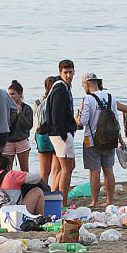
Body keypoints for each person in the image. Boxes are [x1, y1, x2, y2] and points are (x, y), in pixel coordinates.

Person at [78, 73, 125, 207]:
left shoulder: (88, 99)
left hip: (92, 141)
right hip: (110, 140)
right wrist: (120, 139)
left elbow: (83, 121)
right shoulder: (110, 97)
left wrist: (77, 117)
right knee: (108, 171)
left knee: (94, 172)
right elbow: (116, 120)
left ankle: (94, 201)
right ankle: (109, 200)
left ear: (87, 84)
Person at [47, 60, 77, 207]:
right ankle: (62, 201)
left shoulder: (63, 87)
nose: (68, 75)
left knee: (66, 167)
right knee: (66, 169)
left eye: (71, 72)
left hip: (59, 132)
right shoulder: (60, 89)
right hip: (60, 133)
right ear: (60, 73)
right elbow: (56, 114)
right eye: (65, 72)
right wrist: (63, 133)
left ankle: (55, 196)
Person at [33, 76, 61, 187]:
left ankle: (43, 193)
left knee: (44, 171)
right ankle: (54, 193)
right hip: (55, 134)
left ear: (45, 87)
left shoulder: (37, 102)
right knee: (56, 171)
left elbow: (35, 122)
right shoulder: (57, 100)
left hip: (42, 136)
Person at [3, 80, 32, 171]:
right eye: (9, 94)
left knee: (24, 169)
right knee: (7, 169)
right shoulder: (6, 108)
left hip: (22, 140)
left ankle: (25, 185)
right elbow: (5, 124)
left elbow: (29, 126)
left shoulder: (26, 108)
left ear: (20, 94)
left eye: (13, 94)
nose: (10, 96)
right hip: (8, 141)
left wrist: (20, 114)